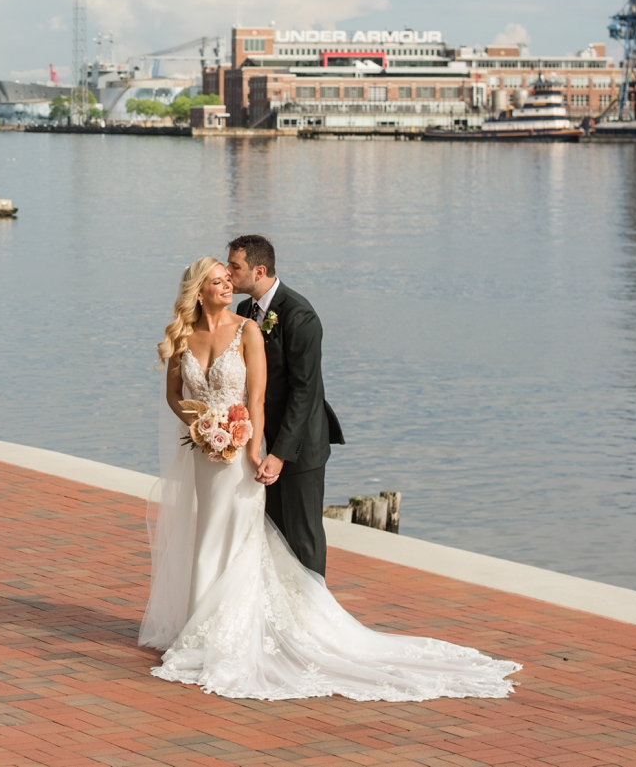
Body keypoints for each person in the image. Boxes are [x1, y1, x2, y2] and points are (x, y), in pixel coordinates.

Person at [139, 256, 520, 701]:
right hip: (205, 456)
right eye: (220, 281)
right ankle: (200, 631)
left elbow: (258, 400)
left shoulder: (247, 330)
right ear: (198, 291)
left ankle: (234, 634)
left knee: (240, 540)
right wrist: (202, 427)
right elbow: (173, 394)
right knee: (206, 537)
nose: (229, 286)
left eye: (231, 278)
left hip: (240, 454)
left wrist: (249, 444)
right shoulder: (183, 335)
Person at [225, 234, 341, 576]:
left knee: (303, 537)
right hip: (262, 440)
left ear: (259, 271)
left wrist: (279, 454)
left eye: (236, 266)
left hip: (299, 444)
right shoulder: (246, 311)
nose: (229, 273)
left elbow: (304, 392)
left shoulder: (300, 316)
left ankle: (313, 619)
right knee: (272, 534)